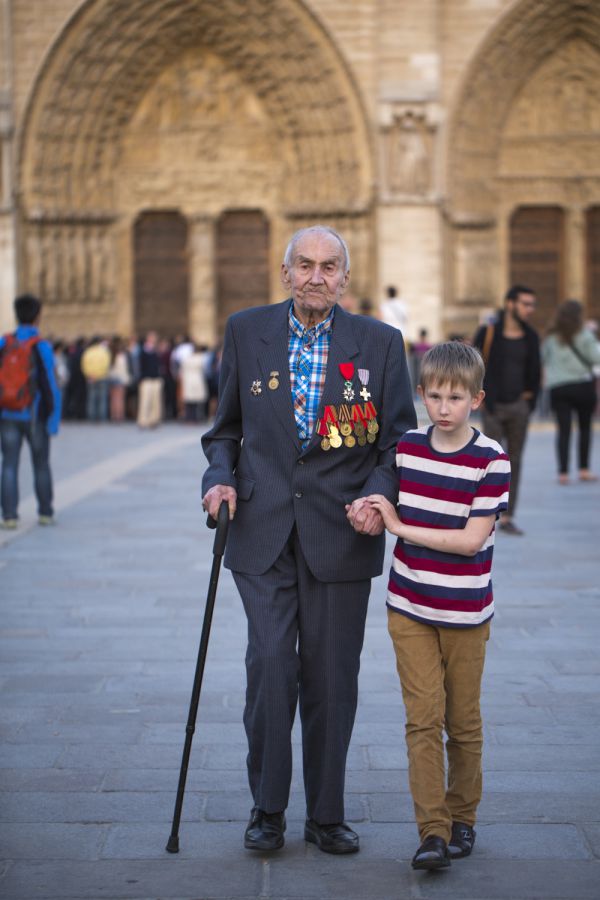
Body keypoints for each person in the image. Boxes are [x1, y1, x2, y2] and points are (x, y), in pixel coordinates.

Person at [202, 225, 416, 855]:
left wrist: (379, 498)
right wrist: (219, 479)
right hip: (261, 529)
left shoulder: (379, 343)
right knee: (269, 665)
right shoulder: (246, 330)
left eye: (329, 266)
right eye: (305, 265)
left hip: (341, 534)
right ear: (285, 272)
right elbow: (224, 431)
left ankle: (326, 814)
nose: (316, 276)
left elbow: (396, 443)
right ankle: (267, 807)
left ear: (345, 278)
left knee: (330, 678)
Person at [367, 341, 510, 871]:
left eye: (455, 397)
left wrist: (400, 527)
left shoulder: (491, 460)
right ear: (422, 395)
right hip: (409, 606)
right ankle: (432, 831)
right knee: (422, 720)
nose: (443, 407)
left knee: (463, 721)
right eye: (434, 396)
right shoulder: (405, 449)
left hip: (466, 614)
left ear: (476, 399)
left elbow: (472, 541)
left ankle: (463, 816)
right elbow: (378, 484)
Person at [473, 285, 540, 535]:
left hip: (519, 408)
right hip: (493, 407)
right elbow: (474, 364)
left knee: (516, 461)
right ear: (510, 304)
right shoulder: (489, 332)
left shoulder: (531, 336)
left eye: (532, 304)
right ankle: (486, 512)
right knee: (490, 460)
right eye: (525, 303)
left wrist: (529, 403)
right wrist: (483, 401)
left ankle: (509, 515)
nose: (530, 309)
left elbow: (535, 371)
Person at [0, 294, 61, 529]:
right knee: (41, 464)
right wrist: (53, 421)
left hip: (7, 414)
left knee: (9, 465)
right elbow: (52, 387)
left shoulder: (4, 343)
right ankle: (45, 512)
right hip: (35, 415)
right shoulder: (42, 346)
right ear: (37, 316)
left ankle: (9, 516)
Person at [542, 299, 600, 484]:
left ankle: (563, 473)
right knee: (584, 428)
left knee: (563, 430)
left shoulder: (551, 337)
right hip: (582, 385)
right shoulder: (585, 335)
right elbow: (595, 357)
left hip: (559, 387)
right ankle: (583, 469)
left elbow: (543, 358)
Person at [81, 336, 111, 422]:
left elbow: (84, 365)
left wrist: (89, 375)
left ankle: (91, 417)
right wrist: (100, 374)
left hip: (91, 377)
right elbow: (106, 365)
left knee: (91, 397)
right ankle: (102, 417)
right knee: (102, 398)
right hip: (102, 377)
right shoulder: (104, 352)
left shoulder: (88, 352)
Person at [137, 331, 163, 429]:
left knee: (155, 401)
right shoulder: (143, 351)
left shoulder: (157, 351)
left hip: (156, 379)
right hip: (146, 379)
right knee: (145, 401)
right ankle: (143, 420)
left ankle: (154, 420)